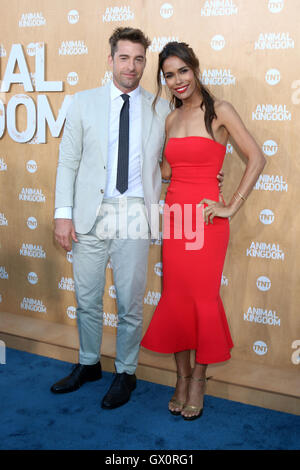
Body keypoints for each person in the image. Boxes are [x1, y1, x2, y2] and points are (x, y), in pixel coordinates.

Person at [51, 28, 224, 410]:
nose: (132, 66)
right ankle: (88, 363)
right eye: (125, 58)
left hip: (134, 214)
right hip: (88, 215)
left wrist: (212, 177)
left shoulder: (162, 108)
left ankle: (126, 371)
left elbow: (176, 158)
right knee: (87, 298)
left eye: (139, 59)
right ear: (111, 60)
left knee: (129, 303)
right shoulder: (81, 103)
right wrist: (63, 215)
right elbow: (67, 163)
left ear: (147, 64)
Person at [141, 42, 266, 420]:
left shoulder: (220, 110)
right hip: (175, 219)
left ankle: (199, 379)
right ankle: (180, 377)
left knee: (202, 300)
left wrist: (231, 204)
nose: (177, 80)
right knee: (176, 298)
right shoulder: (169, 118)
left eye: (182, 71)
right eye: (168, 75)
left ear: (195, 68)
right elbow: (167, 170)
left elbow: (257, 157)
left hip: (208, 222)